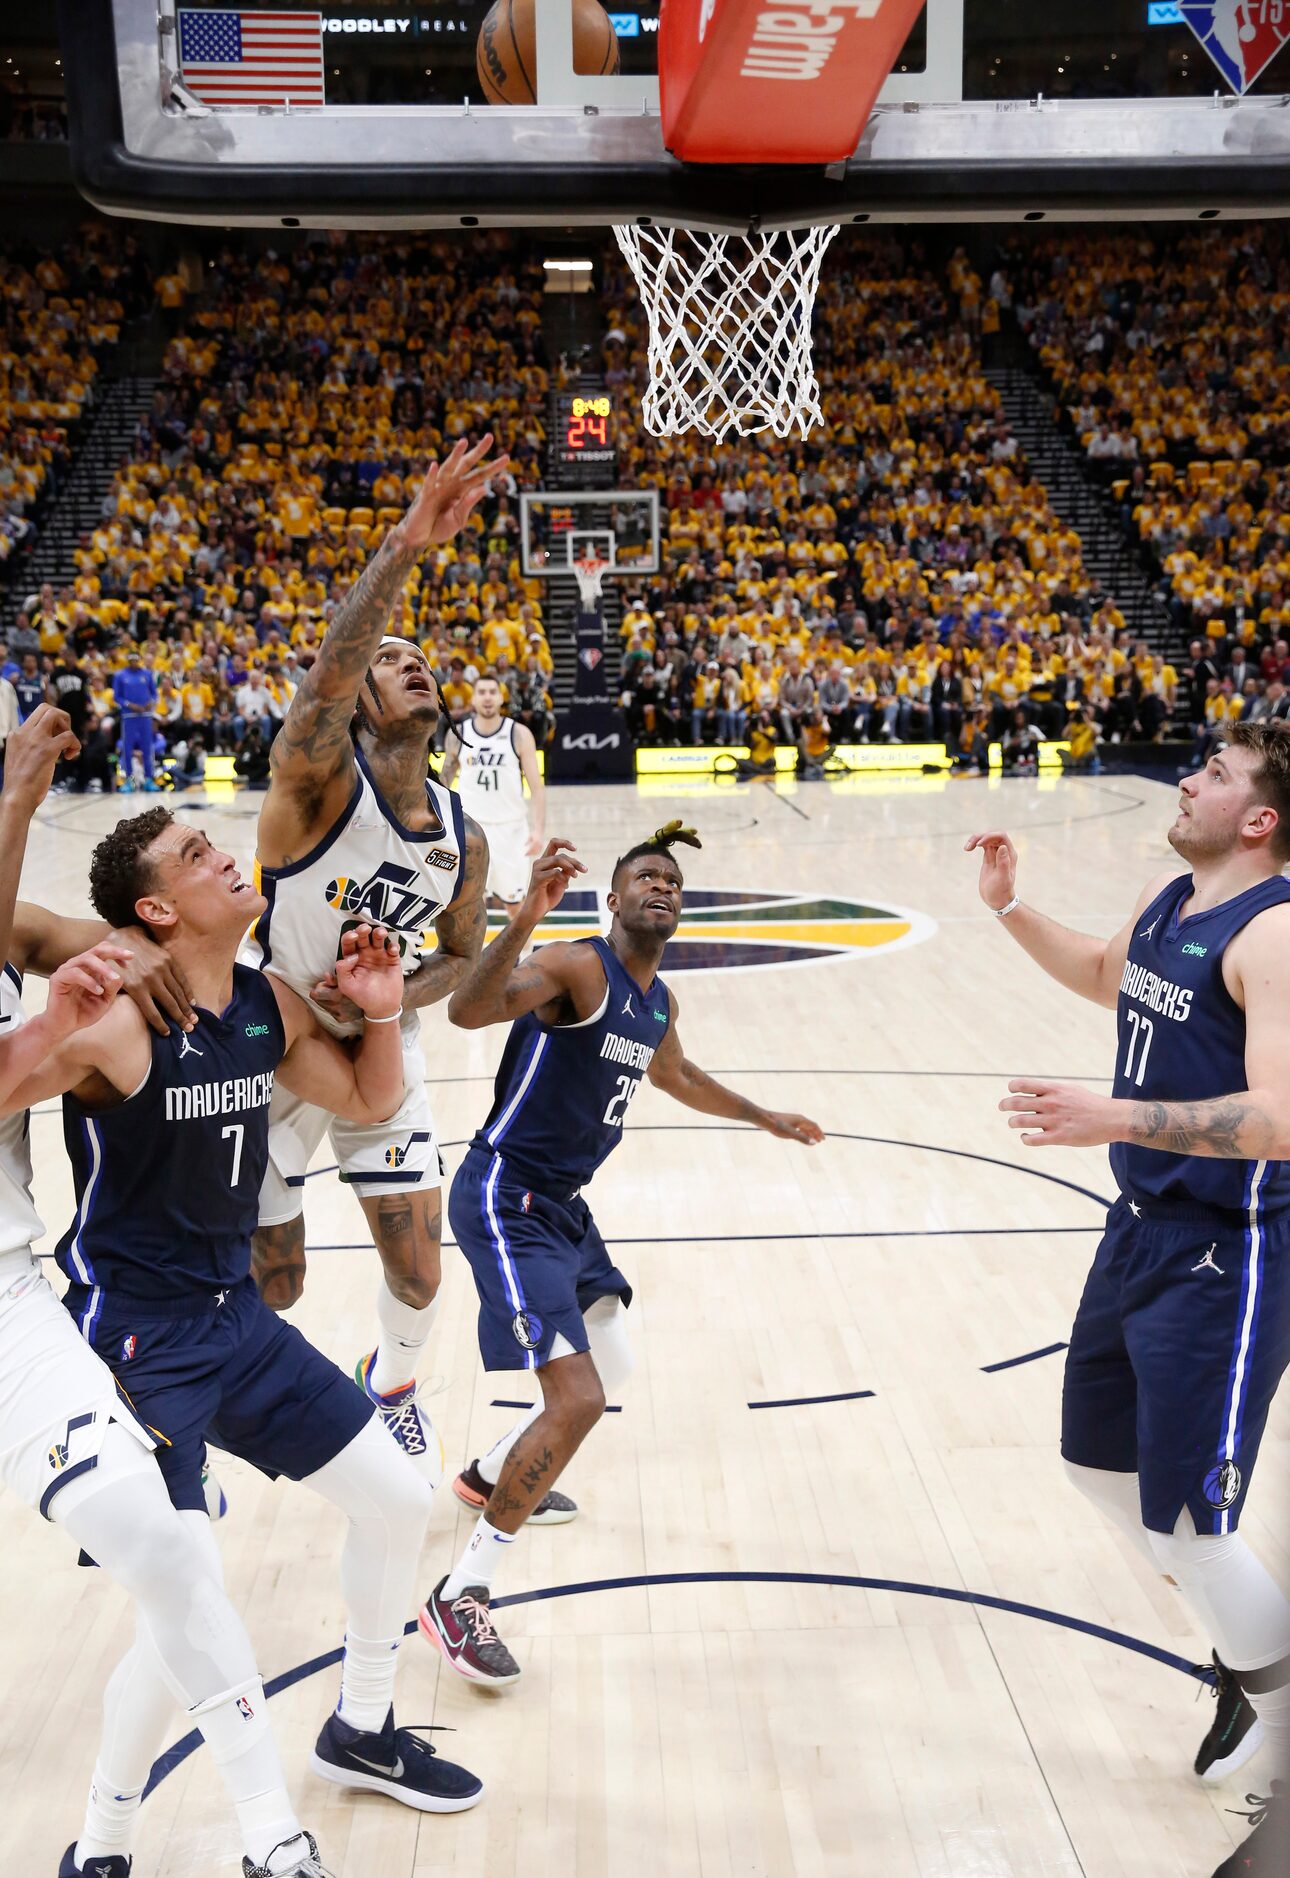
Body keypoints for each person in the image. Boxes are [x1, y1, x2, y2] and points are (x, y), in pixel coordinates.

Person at [0, 804, 484, 1872]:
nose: (228, 854)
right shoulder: (118, 1019)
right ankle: (109, 1841)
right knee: (185, 1592)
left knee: (399, 1501)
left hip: (238, 1319)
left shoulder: (263, 1004)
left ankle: (361, 1724)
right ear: (158, 909)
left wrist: (383, 1010)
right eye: (197, 856)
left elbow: (365, 1096)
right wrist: (52, 1012)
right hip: (137, 1340)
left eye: (219, 844)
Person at [0, 712, 329, 1878]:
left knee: (170, 1553)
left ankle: (263, 1838)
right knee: (171, 1564)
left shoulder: (98, 981)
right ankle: (106, 1834)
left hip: (13, 1303)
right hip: (134, 1298)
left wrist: (23, 805)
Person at [966, 721, 1290, 1875]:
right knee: (1095, 1468)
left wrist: (1113, 1119)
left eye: (1214, 774)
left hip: (1227, 1251)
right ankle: (1248, 1658)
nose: (1189, 778)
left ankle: (1282, 1726)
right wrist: (1010, 908)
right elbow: (1109, 980)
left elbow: (1283, 1121)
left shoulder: (1275, 932)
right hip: (1137, 1234)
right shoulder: (1170, 901)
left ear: (1258, 818)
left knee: (1191, 1525)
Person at [421, 823, 824, 1683]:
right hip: (507, 1193)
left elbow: (676, 1077)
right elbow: (464, 1010)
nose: (661, 887)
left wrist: (763, 1116)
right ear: (611, 899)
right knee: (577, 1401)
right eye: (644, 876)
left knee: (615, 1363)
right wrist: (525, 914)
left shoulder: (657, 1002)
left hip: (566, 1208)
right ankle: (463, 1593)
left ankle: (487, 1476)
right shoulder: (574, 966)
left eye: (672, 880)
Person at [244, 439, 501, 1483]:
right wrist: (405, 545)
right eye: (389, 660)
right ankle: (224, 1402)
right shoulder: (313, 783)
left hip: (379, 1055)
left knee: (422, 1269)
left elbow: (463, 960)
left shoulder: (464, 837)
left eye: (419, 654)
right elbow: (323, 681)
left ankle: (388, 1390)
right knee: (278, 1281)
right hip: (271, 1052)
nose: (412, 661)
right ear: (358, 699)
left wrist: (390, 999)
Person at [441, 672, 545, 920]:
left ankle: (524, 956)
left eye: (492, 692)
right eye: (482, 692)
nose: (487, 697)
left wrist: (538, 830)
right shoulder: (458, 734)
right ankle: (470, 958)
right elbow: (444, 783)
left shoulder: (519, 734)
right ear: (473, 700)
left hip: (511, 830)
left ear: (501, 698)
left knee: (515, 905)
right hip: (471, 829)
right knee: (466, 905)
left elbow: (537, 787)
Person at [112, 647, 159, 793]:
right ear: (128, 660)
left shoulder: (147, 674)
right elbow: (117, 697)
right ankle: (128, 780)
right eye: (131, 659)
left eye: (136, 659)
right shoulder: (120, 675)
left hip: (145, 716)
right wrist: (129, 705)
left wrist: (151, 702)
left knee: (147, 747)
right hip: (129, 716)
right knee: (128, 747)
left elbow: (155, 694)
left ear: (139, 659)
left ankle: (149, 779)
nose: (134, 662)